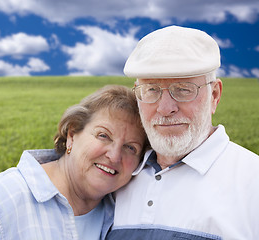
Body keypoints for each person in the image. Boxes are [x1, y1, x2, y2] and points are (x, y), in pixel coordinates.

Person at [0, 85, 148, 240]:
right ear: (72, 135)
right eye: (103, 135)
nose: (114, 155)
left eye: (131, 147)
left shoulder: (121, 214)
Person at [107, 26, 259, 239]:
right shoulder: (115, 176)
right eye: (151, 90)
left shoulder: (253, 181)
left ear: (214, 95)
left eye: (183, 89)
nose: (165, 108)